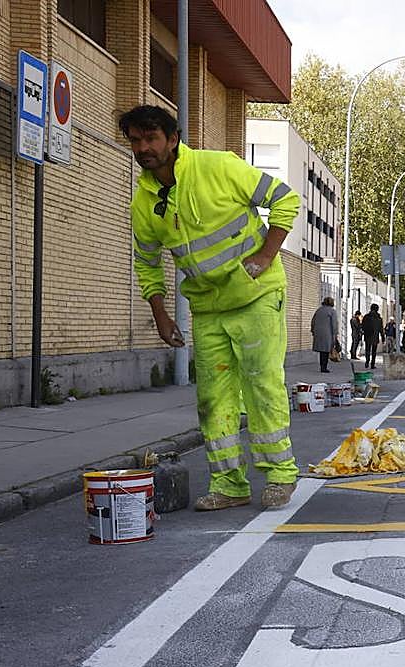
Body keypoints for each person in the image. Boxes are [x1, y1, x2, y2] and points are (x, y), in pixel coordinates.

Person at [121, 104, 300, 511]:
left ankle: (280, 475)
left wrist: (267, 254)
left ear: (172, 139)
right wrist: (160, 313)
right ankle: (229, 485)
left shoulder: (219, 167)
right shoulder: (144, 203)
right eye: (135, 140)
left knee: (261, 385)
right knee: (213, 398)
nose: (143, 148)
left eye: (150, 138)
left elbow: (285, 199)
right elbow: (146, 262)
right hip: (207, 308)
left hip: (256, 296)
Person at [311, 296, 338, 373]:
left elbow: (313, 321)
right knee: (326, 351)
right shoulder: (332, 311)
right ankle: (324, 367)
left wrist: (313, 331)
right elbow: (334, 324)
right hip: (328, 334)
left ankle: (322, 366)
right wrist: (335, 334)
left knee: (321, 351)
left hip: (318, 333)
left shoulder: (319, 310)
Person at [361, 304, 383, 369]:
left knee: (367, 349)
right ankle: (372, 364)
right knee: (374, 351)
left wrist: (364, 332)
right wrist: (383, 337)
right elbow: (381, 329)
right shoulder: (379, 318)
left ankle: (367, 361)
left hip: (367, 335)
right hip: (375, 336)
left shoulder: (366, 317)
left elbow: (363, 326)